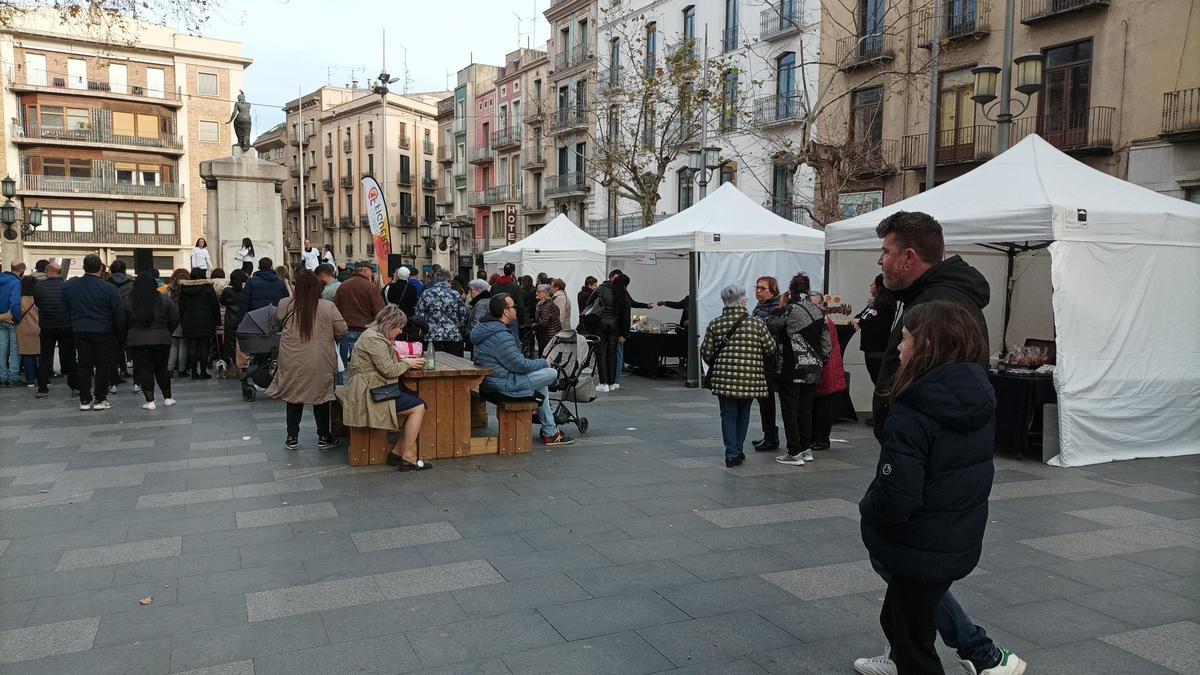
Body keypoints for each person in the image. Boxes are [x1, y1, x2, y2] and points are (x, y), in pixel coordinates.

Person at [855, 211, 1022, 675]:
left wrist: (902, 424)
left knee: (909, 571)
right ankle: (955, 652)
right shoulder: (926, 297)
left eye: (886, 252)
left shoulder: (942, 304)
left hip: (926, 469)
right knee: (906, 584)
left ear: (909, 257)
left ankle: (983, 653)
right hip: (928, 464)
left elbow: (904, 495)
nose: (881, 260)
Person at [859, 301, 996, 675]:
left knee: (914, 642)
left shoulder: (913, 411)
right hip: (956, 537)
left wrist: (868, 509)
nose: (899, 349)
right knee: (905, 617)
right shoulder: (978, 396)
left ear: (928, 346)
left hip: (918, 542)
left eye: (904, 339)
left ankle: (980, 655)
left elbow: (897, 495)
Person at [471, 292, 574, 446]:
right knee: (551, 373)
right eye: (514, 307)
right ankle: (550, 431)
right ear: (506, 311)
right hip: (502, 385)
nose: (516, 310)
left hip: (492, 381)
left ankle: (551, 431)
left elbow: (515, 364)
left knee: (542, 382)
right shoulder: (501, 336)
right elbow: (521, 366)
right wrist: (545, 362)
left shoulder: (485, 328)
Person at [267, 269, 348, 450]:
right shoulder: (327, 306)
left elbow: (277, 321)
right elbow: (342, 329)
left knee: (293, 395)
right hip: (319, 357)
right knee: (321, 396)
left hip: (292, 356)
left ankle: (292, 437)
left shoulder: (285, 304)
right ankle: (323, 436)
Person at [343, 305, 431, 471]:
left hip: (371, 386)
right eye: (399, 328)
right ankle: (408, 456)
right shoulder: (374, 339)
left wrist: (403, 359)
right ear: (390, 325)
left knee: (416, 401)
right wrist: (407, 362)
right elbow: (390, 371)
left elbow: (384, 363)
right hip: (368, 393)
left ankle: (398, 452)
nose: (400, 332)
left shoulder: (374, 335)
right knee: (418, 407)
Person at [701, 284, 777, 468]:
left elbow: (706, 352)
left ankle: (731, 453)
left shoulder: (715, 324)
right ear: (742, 301)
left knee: (728, 415)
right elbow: (770, 348)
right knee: (743, 414)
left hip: (724, 380)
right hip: (750, 379)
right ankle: (739, 449)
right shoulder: (757, 323)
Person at [770, 273, 829, 467]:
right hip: (814, 367)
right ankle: (806, 449)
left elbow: (771, 326)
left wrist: (780, 306)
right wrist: (820, 361)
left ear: (791, 290)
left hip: (791, 367)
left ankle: (794, 452)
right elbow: (826, 344)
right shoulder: (819, 311)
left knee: (790, 410)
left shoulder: (788, 310)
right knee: (806, 409)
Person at [63, 254, 124, 411]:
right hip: (104, 331)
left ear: (84, 267)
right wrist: (119, 334)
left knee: (84, 365)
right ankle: (100, 399)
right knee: (103, 366)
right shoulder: (109, 288)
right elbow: (118, 313)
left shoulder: (71, 286)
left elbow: (65, 309)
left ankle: (84, 399)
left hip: (80, 330)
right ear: (101, 268)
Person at [125, 270, 180, 409]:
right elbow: (174, 317)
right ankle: (168, 398)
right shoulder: (163, 298)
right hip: (161, 339)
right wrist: (166, 331)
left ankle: (150, 401)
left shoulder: (130, 301)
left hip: (137, 341)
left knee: (145, 370)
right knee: (161, 369)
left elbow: (123, 321)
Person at [333, 261, 384, 385]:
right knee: (363, 366)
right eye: (371, 271)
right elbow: (379, 311)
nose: (371, 274)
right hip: (365, 331)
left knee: (343, 365)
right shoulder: (370, 287)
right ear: (365, 271)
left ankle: (341, 393)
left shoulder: (343, 286)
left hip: (345, 331)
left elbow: (335, 308)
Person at [810, 291, 847, 452]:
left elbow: (825, 349)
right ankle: (816, 438)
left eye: (814, 304)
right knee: (817, 408)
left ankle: (822, 440)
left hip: (827, 372)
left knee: (823, 409)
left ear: (822, 305)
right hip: (824, 371)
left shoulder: (824, 322)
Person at [33, 262, 75, 398]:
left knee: (45, 357)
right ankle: (75, 386)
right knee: (70, 356)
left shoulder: (39, 287)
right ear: (59, 272)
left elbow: (38, 303)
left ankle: (43, 388)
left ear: (49, 272)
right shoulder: (68, 287)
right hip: (65, 325)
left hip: (47, 326)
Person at [751, 276, 783, 451]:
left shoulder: (776, 307)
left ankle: (771, 437)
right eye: (757, 287)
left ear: (773, 290)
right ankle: (768, 435)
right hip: (760, 358)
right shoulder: (760, 306)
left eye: (763, 288)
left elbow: (774, 327)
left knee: (767, 399)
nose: (758, 291)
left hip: (771, 360)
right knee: (763, 400)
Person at [854, 273, 898, 386]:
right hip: (869, 349)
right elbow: (861, 316)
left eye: (872, 284)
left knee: (880, 383)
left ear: (879, 287)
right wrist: (858, 320)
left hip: (878, 350)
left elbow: (874, 324)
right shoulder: (874, 303)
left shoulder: (885, 305)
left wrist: (860, 322)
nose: (870, 285)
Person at [177, 267, 220, 379]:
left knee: (192, 346)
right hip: (206, 320)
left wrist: (182, 320)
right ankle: (203, 372)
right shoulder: (208, 288)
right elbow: (214, 305)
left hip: (189, 321)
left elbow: (181, 307)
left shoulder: (184, 289)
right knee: (204, 346)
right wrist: (217, 320)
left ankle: (194, 372)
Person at [415, 268, 467, 357]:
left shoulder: (426, 293)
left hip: (431, 334)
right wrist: (460, 329)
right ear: (448, 280)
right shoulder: (455, 294)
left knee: (433, 364)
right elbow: (462, 315)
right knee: (455, 364)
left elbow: (419, 315)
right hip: (452, 335)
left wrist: (423, 331)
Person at [220, 269, 248, 376]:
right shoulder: (245, 291)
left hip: (230, 318)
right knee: (243, 342)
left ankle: (235, 364)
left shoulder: (227, 291)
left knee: (231, 343)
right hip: (243, 319)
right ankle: (242, 364)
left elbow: (222, 301)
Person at [0, 260, 24, 385]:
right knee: (15, 348)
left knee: (1, 348)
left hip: (0, 318)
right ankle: (13, 376)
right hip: (10, 318)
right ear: (22, 270)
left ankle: (1, 376)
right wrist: (17, 317)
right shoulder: (16, 282)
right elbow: (15, 303)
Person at [16, 276, 39, 388]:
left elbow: (15, 313)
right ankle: (43, 378)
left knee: (27, 355)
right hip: (39, 328)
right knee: (41, 355)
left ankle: (30, 380)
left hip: (24, 328)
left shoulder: (20, 299)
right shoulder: (39, 298)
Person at [533, 284, 562, 354]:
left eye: (539, 292)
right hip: (552, 336)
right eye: (536, 291)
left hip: (549, 337)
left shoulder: (547, 306)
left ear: (545, 293)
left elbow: (544, 323)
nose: (536, 293)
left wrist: (534, 325)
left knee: (547, 359)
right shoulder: (548, 303)